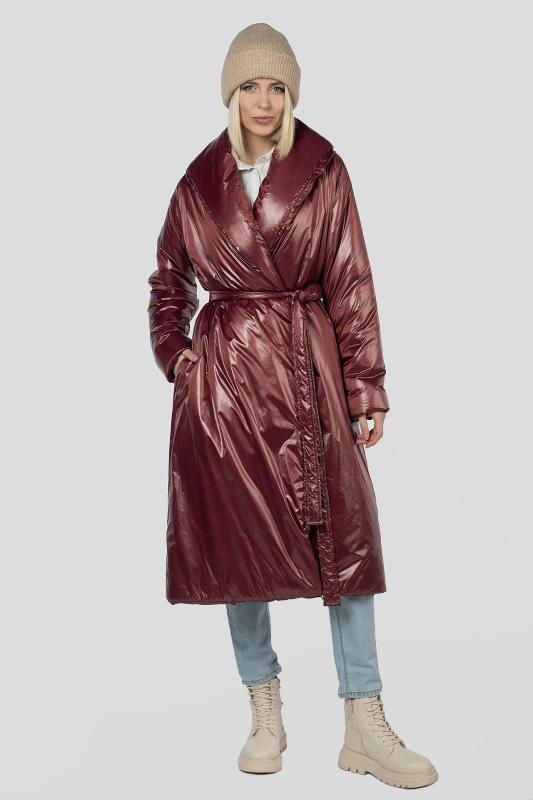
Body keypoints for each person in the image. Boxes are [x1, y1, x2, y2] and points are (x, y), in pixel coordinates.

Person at [147, 21, 438, 789]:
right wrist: (177, 354)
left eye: (276, 86)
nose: (264, 100)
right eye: (250, 85)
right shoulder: (196, 184)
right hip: (225, 388)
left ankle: (363, 720)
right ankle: (264, 710)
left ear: (291, 94)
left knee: (347, 542)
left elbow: (351, 279)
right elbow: (168, 279)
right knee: (238, 548)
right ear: (230, 95)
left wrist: (364, 385)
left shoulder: (323, 170)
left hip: (310, 374)